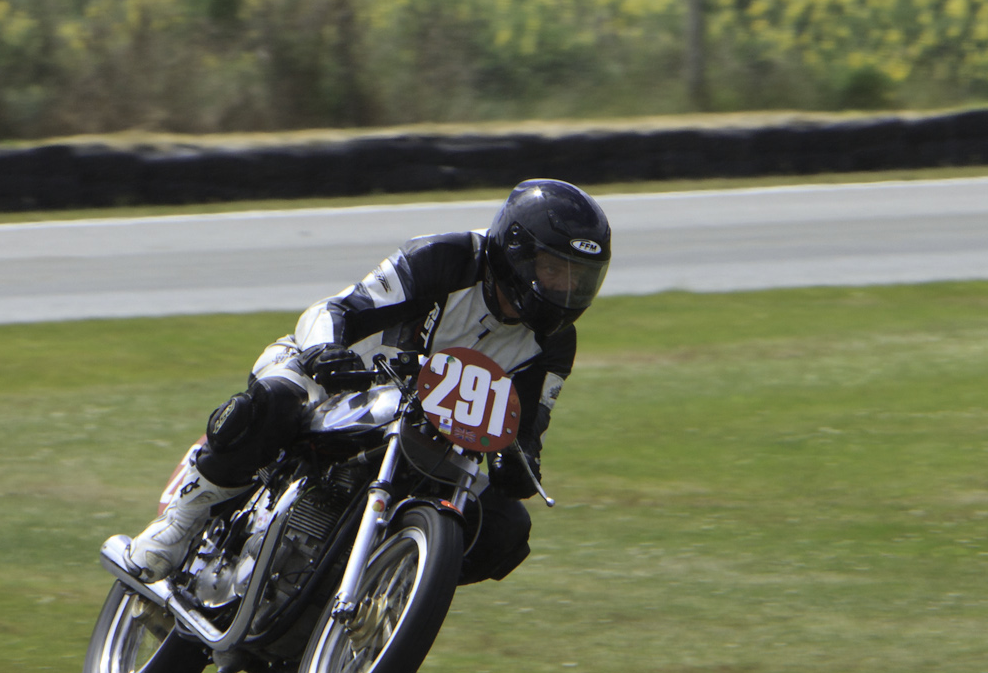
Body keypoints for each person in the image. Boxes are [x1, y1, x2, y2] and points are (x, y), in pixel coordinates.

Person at [106, 177, 612, 587]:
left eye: (579, 279)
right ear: (517, 252)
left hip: (427, 439)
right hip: (338, 385)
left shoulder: (554, 344)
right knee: (277, 400)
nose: (565, 291)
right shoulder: (447, 258)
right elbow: (338, 310)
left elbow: (526, 429)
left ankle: (390, 585)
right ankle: (179, 523)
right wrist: (326, 351)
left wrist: (519, 467)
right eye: (553, 271)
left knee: (506, 528)